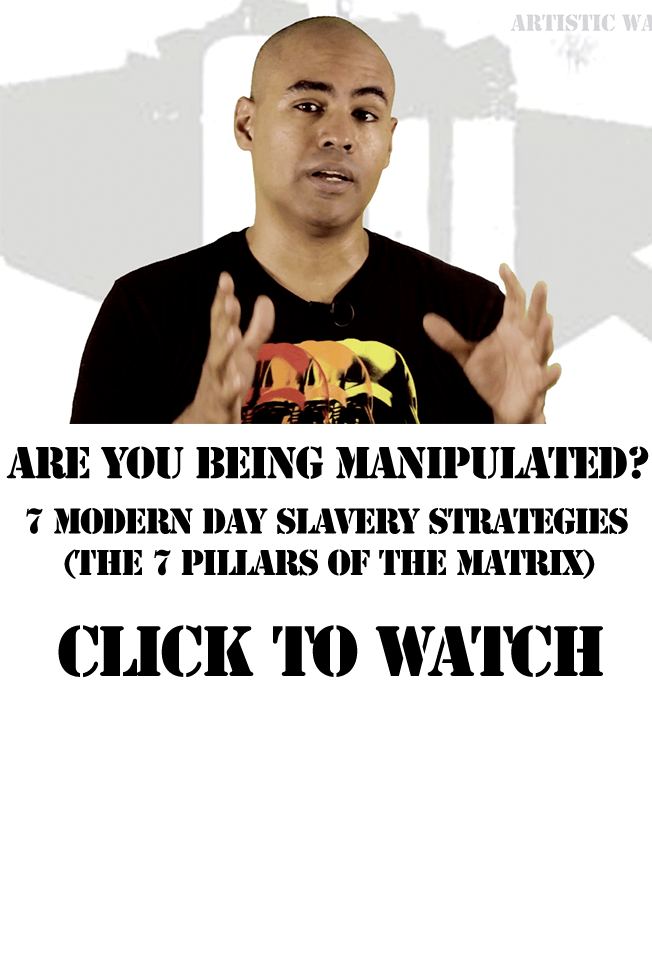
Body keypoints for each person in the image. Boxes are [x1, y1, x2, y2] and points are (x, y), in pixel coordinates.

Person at [71, 16, 560, 425]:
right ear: (246, 124)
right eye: (309, 106)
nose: (338, 135)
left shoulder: (472, 319)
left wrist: (522, 433)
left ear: (389, 141)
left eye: (365, 114)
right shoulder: (147, 311)